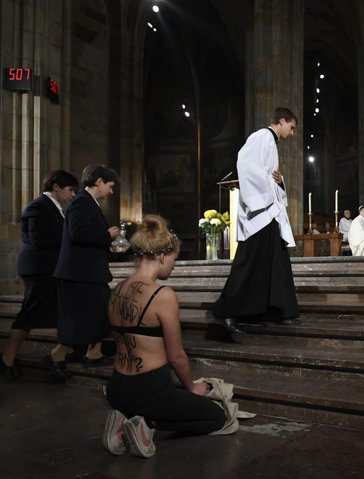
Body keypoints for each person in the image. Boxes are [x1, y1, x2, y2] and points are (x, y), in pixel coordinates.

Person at [103, 215, 226, 458]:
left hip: (117, 387)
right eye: (174, 259)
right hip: (150, 390)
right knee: (215, 417)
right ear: (161, 256)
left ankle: (124, 420)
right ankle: (147, 425)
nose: (174, 265)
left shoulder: (117, 290)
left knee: (172, 400)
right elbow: (176, 356)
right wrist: (192, 387)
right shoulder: (162, 295)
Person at [214, 107, 300, 332]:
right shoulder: (261, 136)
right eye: (291, 128)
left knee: (275, 263)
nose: (292, 134)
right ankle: (228, 310)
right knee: (249, 261)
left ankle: (275, 311)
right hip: (260, 211)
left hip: (269, 211)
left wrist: (279, 182)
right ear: (282, 121)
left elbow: (269, 175)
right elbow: (245, 165)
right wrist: (268, 189)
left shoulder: (270, 141)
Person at [1, 170, 78, 381]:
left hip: (49, 269)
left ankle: (58, 357)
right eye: (70, 190)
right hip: (39, 269)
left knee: (59, 311)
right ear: (56, 187)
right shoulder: (37, 206)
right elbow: (38, 239)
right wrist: (71, 234)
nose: (72, 195)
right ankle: (7, 359)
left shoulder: (55, 208)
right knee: (28, 314)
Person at [50, 165, 121, 380]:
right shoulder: (82, 201)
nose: (111, 191)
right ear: (98, 181)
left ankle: (94, 353)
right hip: (79, 274)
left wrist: (104, 243)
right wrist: (106, 235)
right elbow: (78, 234)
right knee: (83, 318)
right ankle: (57, 356)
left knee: (99, 312)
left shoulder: (88, 202)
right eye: (110, 186)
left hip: (87, 272)